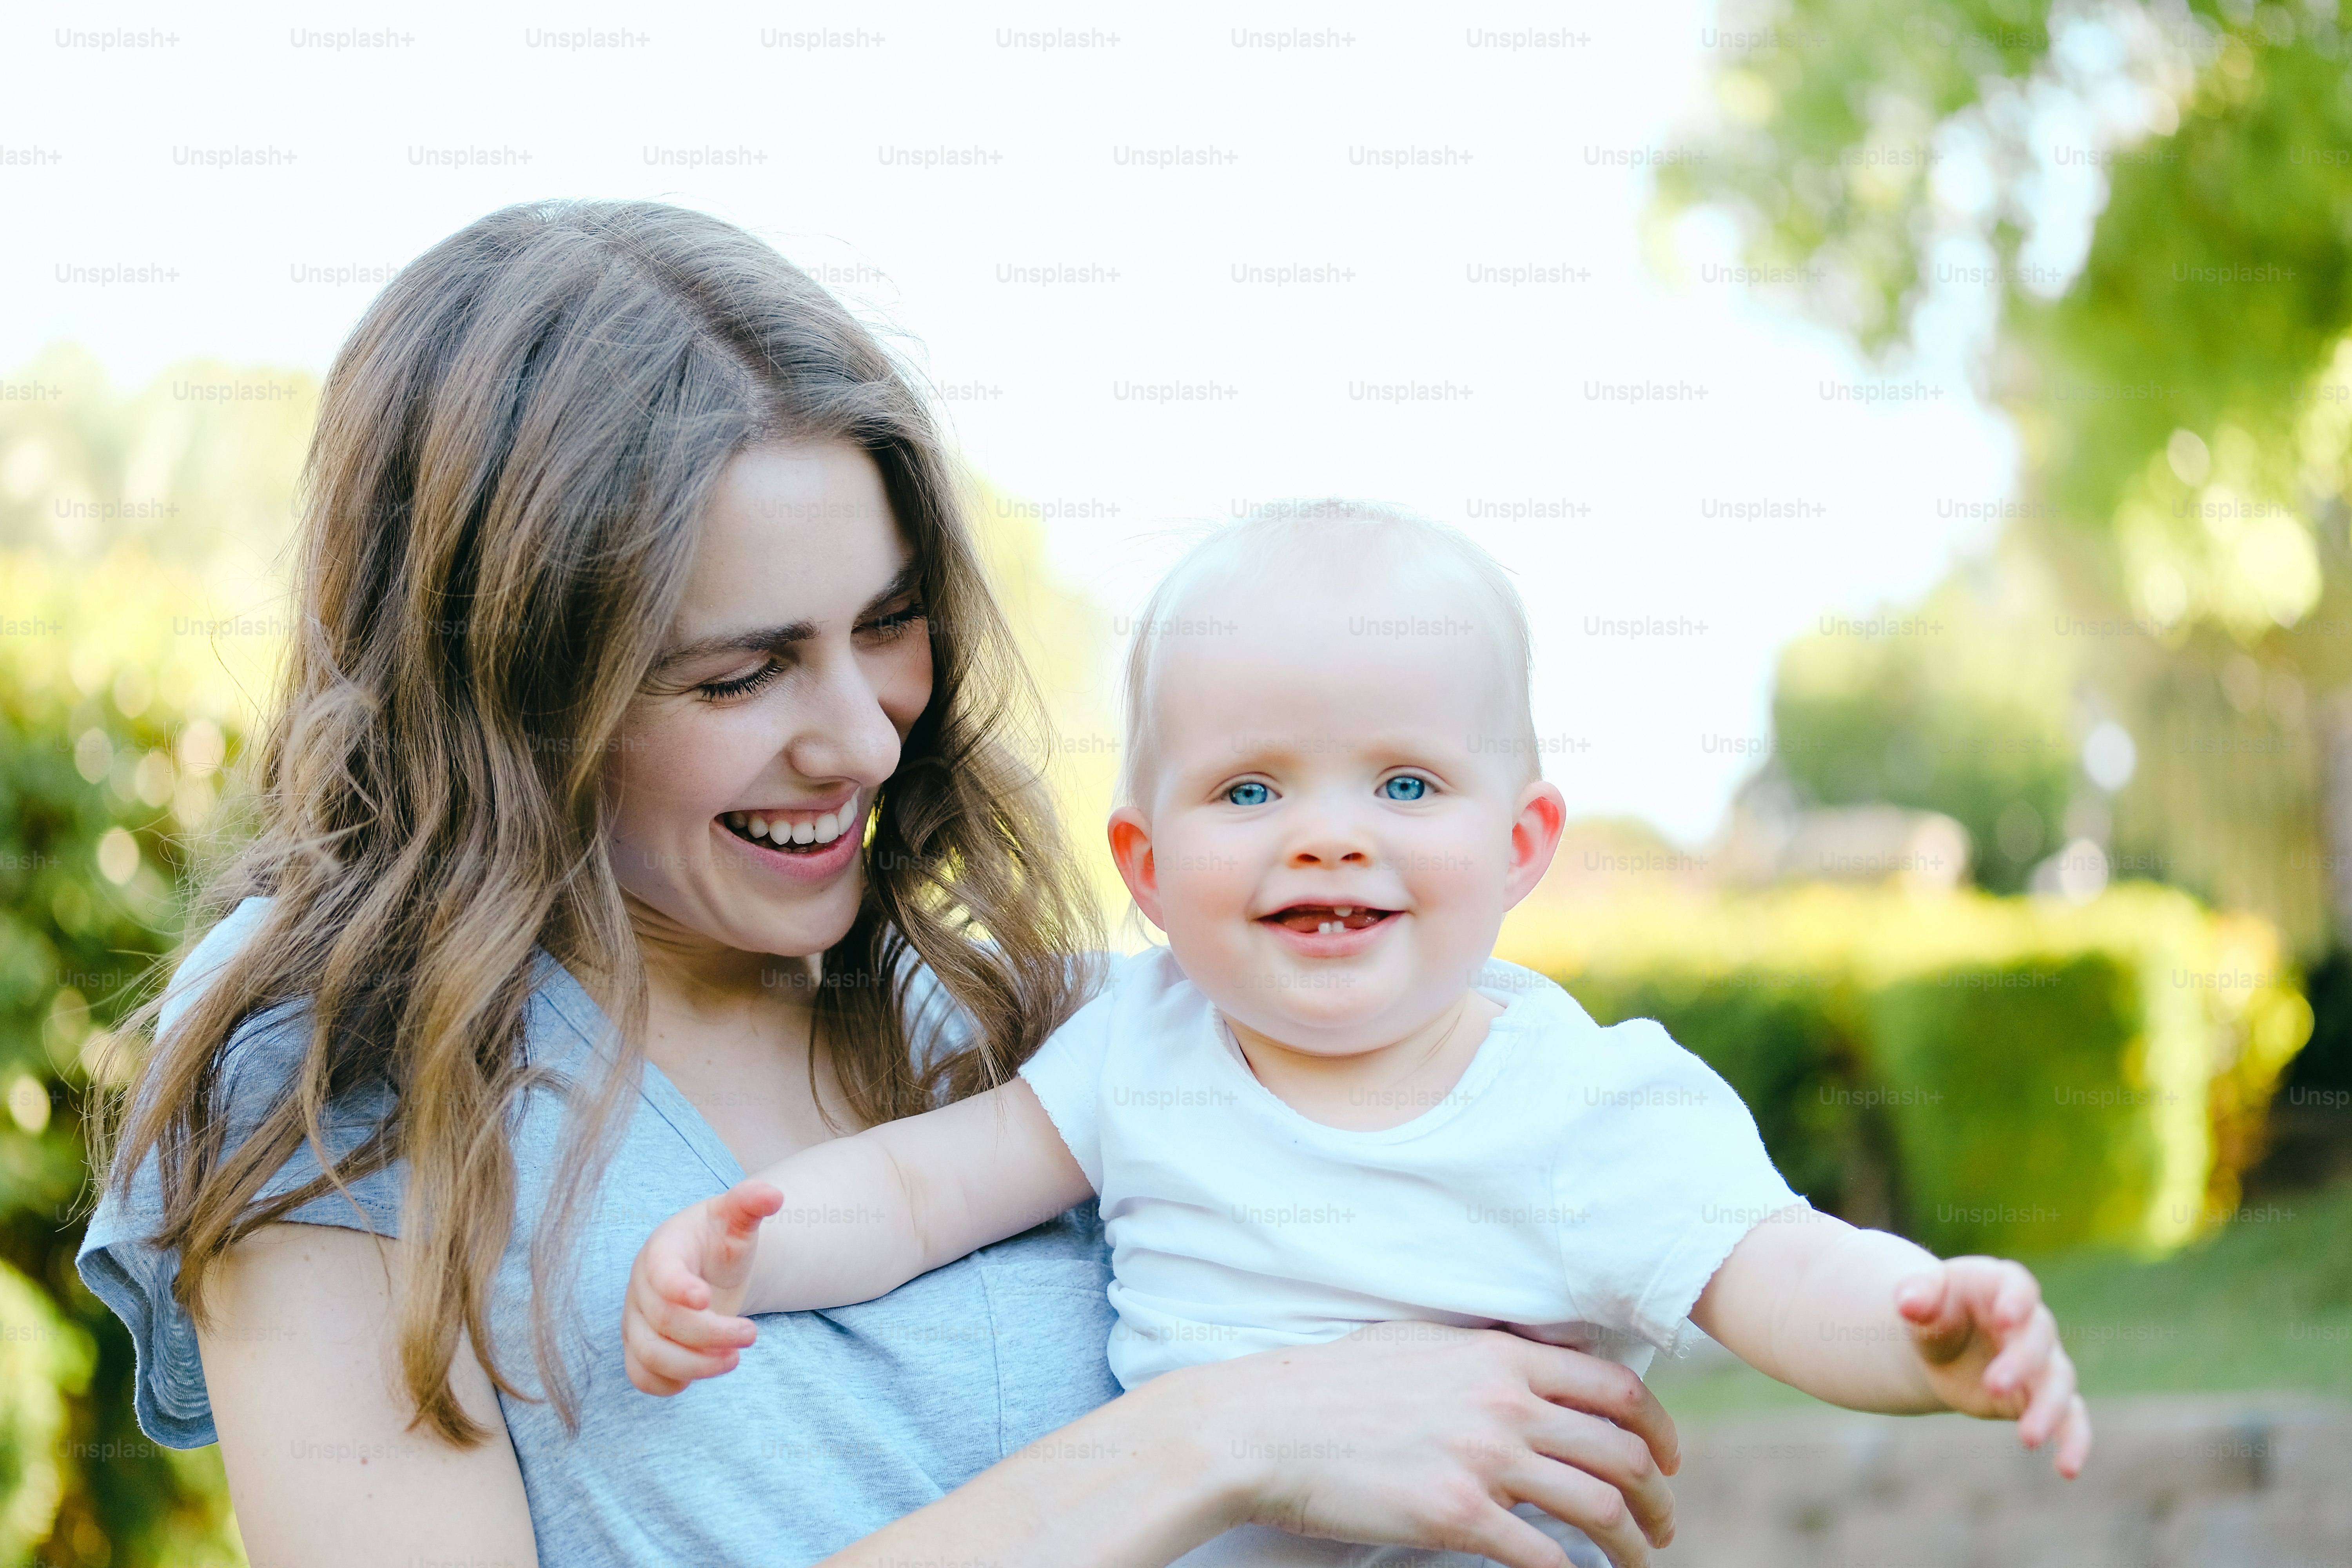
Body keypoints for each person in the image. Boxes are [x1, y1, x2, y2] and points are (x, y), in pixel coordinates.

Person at [77, 201, 1688, 1568]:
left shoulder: (1008, 1009)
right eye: (739, 674)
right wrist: (1215, 1436)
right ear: (510, 692)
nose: (861, 737)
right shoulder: (332, 1066)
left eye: (889, 622)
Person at [623, 503, 2097, 1567]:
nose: (1328, 840)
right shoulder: (1141, 1046)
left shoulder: (1587, 1102)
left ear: (1523, 844)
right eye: (1252, 793)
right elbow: (919, 1189)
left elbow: (1780, 1270)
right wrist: (744, 1247)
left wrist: (1928, 1334)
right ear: (1144, 865)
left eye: (1404, 787)